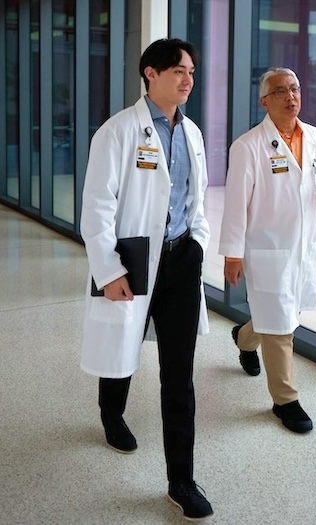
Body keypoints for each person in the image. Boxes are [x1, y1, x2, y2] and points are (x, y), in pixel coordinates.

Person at [80, 38, 213, 521]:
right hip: (132, 260)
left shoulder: (192, 133)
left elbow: (196, 198)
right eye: (178, 70)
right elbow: (96, 208)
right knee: (123, 348)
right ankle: (111, 412)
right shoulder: (118, 132)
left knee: (179, 373)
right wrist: (109, 270)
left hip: (181, 261)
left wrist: (197, 243)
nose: (187, 80)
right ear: (149, 73)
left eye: (192, 73)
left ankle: (182, 479)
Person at [219, 67, 316, 434]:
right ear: (264, 101)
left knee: (282, 313)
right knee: (280, 326)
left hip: (304, 246)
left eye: (295, 88)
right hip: (267, 249)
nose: (291, 96)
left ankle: (244, 338)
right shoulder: (248, 146)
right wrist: (232, 253)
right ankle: (285, 400)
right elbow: (236, 203)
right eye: (280, 91)